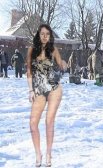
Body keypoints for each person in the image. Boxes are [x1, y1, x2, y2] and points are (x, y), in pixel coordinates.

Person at [26, 24, 66, 167]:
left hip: (54, 89)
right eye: (42, 33)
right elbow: (29, 72)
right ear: (38, 35)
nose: (44, 36)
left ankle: (49, 153)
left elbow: (61, 64)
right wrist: (31, 90)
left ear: (50, 36)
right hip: (39, 90)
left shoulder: (54, 50)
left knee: (49, 122)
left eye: (47, 34)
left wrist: (64, 64)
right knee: (33, 124)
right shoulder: (31, 50)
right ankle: (38, 153)